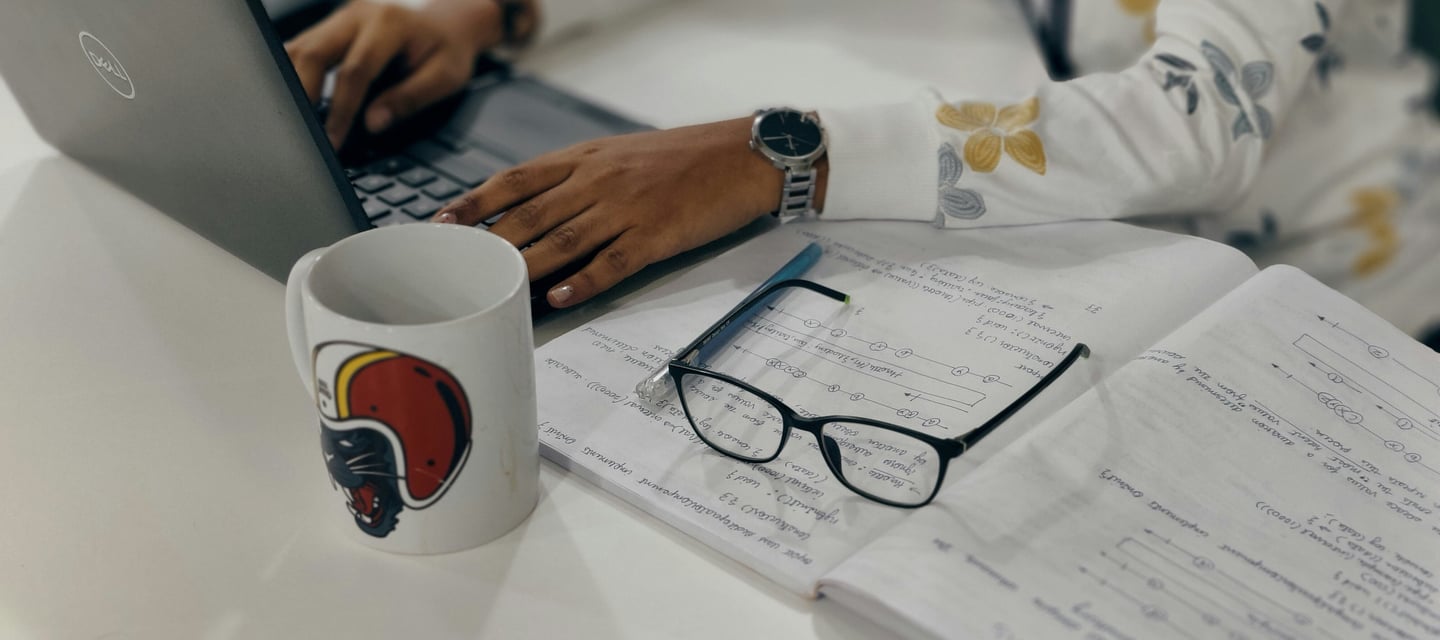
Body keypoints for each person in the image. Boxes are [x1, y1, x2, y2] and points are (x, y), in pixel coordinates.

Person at [285, 0, 1440, 339]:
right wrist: (494, 7)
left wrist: (772, 155)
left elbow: (1195, 122)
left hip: (1342, 299)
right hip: (1114, 241)